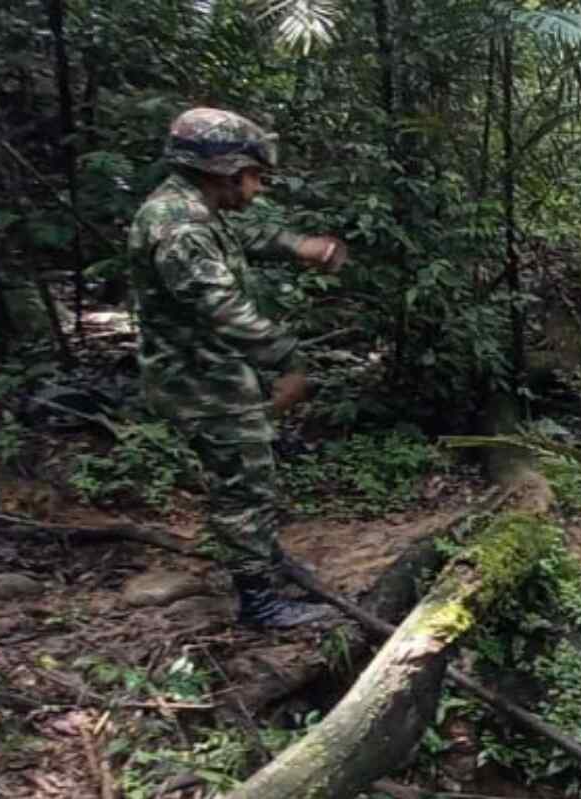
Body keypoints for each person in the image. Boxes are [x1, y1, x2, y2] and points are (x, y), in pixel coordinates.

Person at [126, 107, 347, 628]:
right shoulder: (179, 227)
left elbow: (242, 235)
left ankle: (265, 561)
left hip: (212, 373)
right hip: (201, 381)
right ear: (223, 170)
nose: (257, 189)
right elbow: (223, 311)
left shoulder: (192, 210)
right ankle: (260, 603)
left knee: (251, 474)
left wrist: (300, 245)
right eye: (254, 177)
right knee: (243, 486)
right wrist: (289, 361)